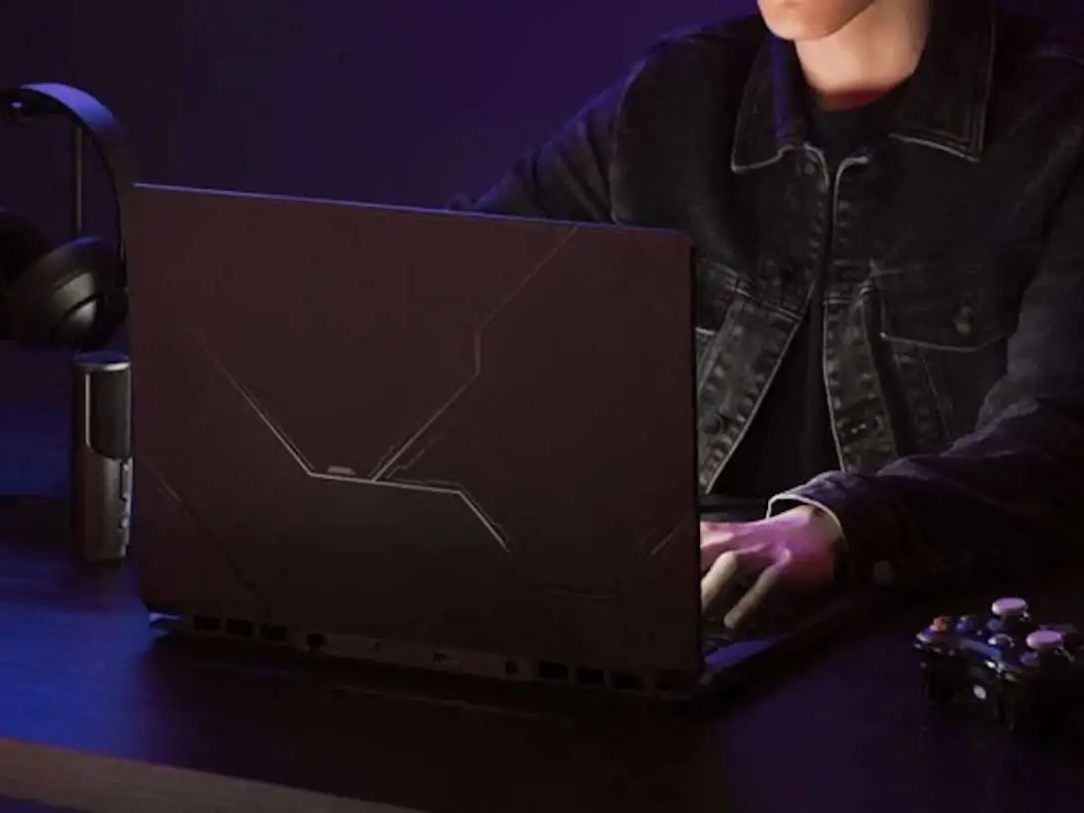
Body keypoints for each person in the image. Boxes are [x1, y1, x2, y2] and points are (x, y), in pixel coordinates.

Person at [456, 0, 1084, 629]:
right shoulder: (672, 96)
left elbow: (1056, 439)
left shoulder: (1059, 121)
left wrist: (837, 524)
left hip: (936, 636)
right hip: (680, 620)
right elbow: (456, 295)